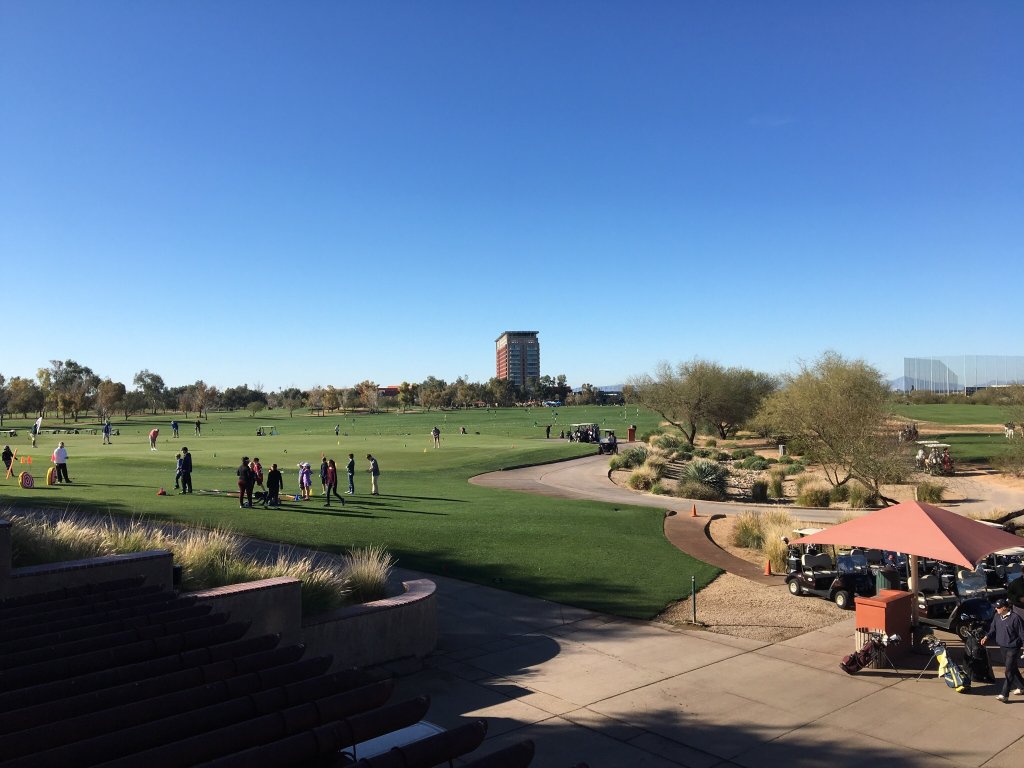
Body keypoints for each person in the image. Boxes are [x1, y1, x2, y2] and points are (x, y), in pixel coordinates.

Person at [981, 598, 1024, 702]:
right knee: (1012, 668)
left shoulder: (1015, 618)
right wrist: (986, 637)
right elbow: (993, 629)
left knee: (1008, 671)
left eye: (998, 607)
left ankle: (1004, 694)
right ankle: (1022, 687)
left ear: (1004, 608)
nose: (996, 609)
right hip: (1002, 646)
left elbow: (1022, 634)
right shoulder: (997, 616)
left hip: (1013, 648)